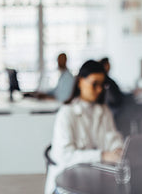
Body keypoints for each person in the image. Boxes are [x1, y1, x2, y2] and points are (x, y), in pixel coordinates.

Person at [44, 60, 124, 194]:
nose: (99, 90)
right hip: (67, 183)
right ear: (80, 81)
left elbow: (112, 137)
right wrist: (102, 155)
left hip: (94, 179)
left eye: (102, 85)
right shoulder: (66, 113)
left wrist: (118, 149)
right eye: (94, 84)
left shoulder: (104, 110)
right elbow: (65, 157)